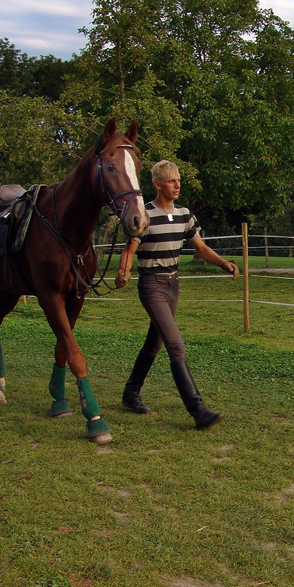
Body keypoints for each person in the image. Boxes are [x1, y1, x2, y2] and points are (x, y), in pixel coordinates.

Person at [116, 160, 239, 429]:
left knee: (155, 343)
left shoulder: (184, 214)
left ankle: (130, 393)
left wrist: (223, 263)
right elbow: (129, 249)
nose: (178, 184)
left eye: (179, 180)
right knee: (175, 344)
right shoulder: (144, 214)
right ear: (158, 184)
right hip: (151, 285)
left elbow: (201, 248)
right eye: (172, 181)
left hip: (173, 285)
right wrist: (123, 271)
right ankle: (198, 411)